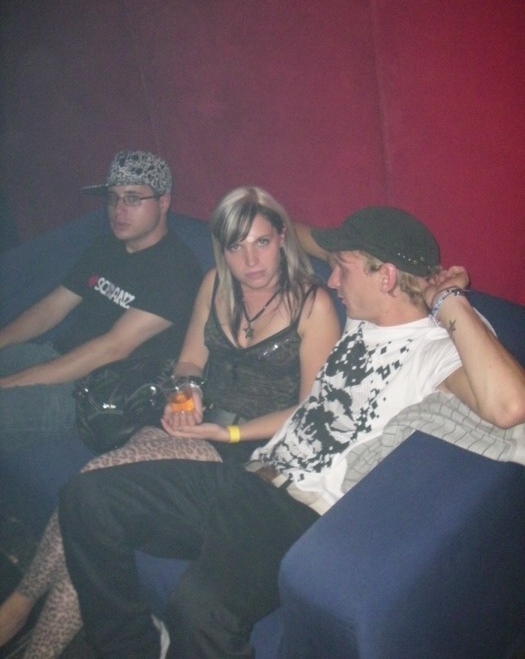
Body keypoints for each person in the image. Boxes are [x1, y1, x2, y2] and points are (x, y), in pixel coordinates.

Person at [57, 205, 525, 659]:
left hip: (299, 512)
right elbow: (298, 234)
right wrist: (265, 212)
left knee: (201, 611)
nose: (331, 280)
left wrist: (447, 298)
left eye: (341, 269)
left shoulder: (435, 349)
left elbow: (510, 405)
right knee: (88, 498)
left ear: (385, 277)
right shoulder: (366, 313)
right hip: (251, 475)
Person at [0, 186, 340, 658]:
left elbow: (310, 410)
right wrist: (188, 393)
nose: (251, 261)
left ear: (282, 238)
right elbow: (189, 361)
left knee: (94, 484)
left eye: (261, 242)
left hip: (244, 448)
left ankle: (23, 617)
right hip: (189, 426)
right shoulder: (214, 284)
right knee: (92, 500)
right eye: (235, 246)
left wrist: (229, 432)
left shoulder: (312, 305)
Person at [0, 150, 202, 451]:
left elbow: (112, 348)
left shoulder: (177, 270)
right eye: (113, 198)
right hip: (55, 357)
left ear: (163, 202)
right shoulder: (105, 247)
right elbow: (52, 307)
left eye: (133, 198)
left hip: (89, 393)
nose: (118, 210)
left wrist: (8, 385)